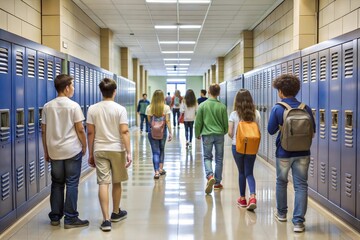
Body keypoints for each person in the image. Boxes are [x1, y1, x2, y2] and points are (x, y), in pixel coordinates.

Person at [268, 74, 315, 233]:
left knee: (281, 182)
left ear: (280, 91)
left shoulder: (277, 108)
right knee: (301, 186)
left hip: (283, 152)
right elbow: (312, 132)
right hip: (303, 153)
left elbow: (270, 130)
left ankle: (281, 214)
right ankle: (298, 223)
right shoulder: (305, 108)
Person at [41, 74, 89, 229]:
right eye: (72, 85)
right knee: (72, 183)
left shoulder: (47, 106)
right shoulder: (74, 106)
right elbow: (80, 129)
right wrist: (85, 145)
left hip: (54, 151)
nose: (73, 88)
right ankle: (70, 218)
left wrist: (46, 150)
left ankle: (55, 217)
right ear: (67, 87)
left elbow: (44, 131)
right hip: (71, 150)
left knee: (57, 183)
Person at [87, 78, 132, 232]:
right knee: (117, 181)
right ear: (114, 91)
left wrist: (90, 152)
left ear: (101, 91)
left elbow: (90, 132)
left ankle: (106, 220)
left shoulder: (92, 109)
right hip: (117, 149)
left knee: (103, 183)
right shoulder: (120, 109)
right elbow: (124, 131)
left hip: (99, 149)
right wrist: (129, 152)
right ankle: (116, 212)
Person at [228, 89, 261, 210]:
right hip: (251, 147)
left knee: (241, 172)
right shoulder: (256, 113)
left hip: (237, 146)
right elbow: (258, 131)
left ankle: (242, 199)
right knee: (249, 172)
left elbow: (230, 132)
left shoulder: (234, 114)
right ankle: (252, 197)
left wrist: (236, 138)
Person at [195, 84, 228, 194]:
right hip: (219, 134)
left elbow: (198, 122)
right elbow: (225, 124)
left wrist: (197, 133)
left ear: (208, 91)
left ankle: (210, 176)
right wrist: (224, 131)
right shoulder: (222, 106)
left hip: (207, 134)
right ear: (218, 93)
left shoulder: (202, 106)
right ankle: (217, 183)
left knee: (207, 157)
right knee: (219, 158)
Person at [146, 90, 173, 179]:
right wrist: (170, 132)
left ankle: (156, 171)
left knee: (155, 152)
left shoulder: (149, 108)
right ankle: (161, 169)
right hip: (163, 132)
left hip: (152, 131)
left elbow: (149, 121)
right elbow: (167, 121)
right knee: (161, 150)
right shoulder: (166, 107)